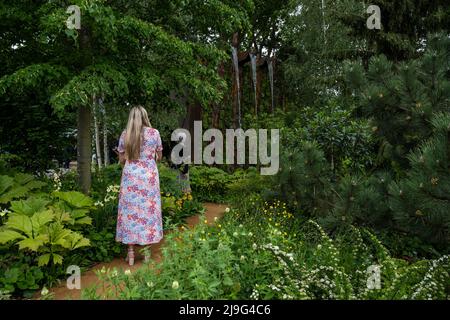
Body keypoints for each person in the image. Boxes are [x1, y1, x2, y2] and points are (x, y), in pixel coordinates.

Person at [115, 105, 163, 266]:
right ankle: (147, 252)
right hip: (149, 178)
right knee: (147, 212)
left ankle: (130, 253)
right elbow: (159, 156)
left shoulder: (125, 135)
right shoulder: (154, 133)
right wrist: (150, 157)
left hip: (130, 177)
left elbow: (122, 160)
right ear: (145, 116)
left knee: (130, 213)